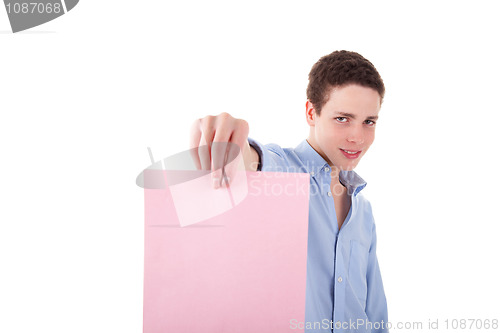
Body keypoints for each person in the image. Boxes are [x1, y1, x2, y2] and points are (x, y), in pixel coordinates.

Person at [190, 50, 388, 333]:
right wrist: (233, 140)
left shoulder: (363, 209)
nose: (357, 136)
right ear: (311, 113)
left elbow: (374, 313)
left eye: (369, 121)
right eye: (343, 118)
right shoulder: (286, 173)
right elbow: (254, 163)